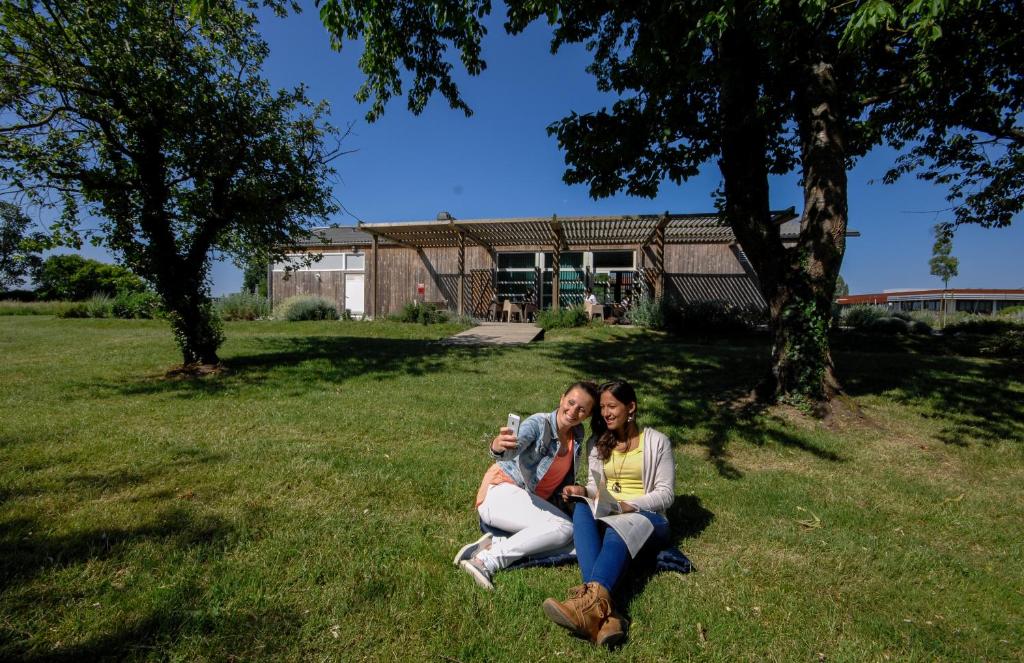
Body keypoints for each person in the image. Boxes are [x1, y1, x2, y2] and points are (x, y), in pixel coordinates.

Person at [542, 380, 674, 646]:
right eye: (602, 407)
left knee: (618, 525)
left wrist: (629, 505)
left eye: (612, 406)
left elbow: (666, 494)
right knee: (580, 505)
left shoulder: (657, 442)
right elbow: (595, 488)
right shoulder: (597, 442)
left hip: (648, 520)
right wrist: (582, 490)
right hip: (609, 511)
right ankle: (607, 616)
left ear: (631, 407)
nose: (605, 413)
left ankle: (587, 605)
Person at [454, 381, 600, 590]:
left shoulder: (576, 437)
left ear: (587, 415)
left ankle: (495, 544)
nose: (573, 411)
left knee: (576, 544)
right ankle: (485, 561)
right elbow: (512, 449)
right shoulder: (538, 424)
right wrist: (498, 447)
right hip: (501, 490)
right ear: (562, 399)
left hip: (529, 503)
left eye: (582, 409)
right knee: (564, 528)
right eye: (571, 402)